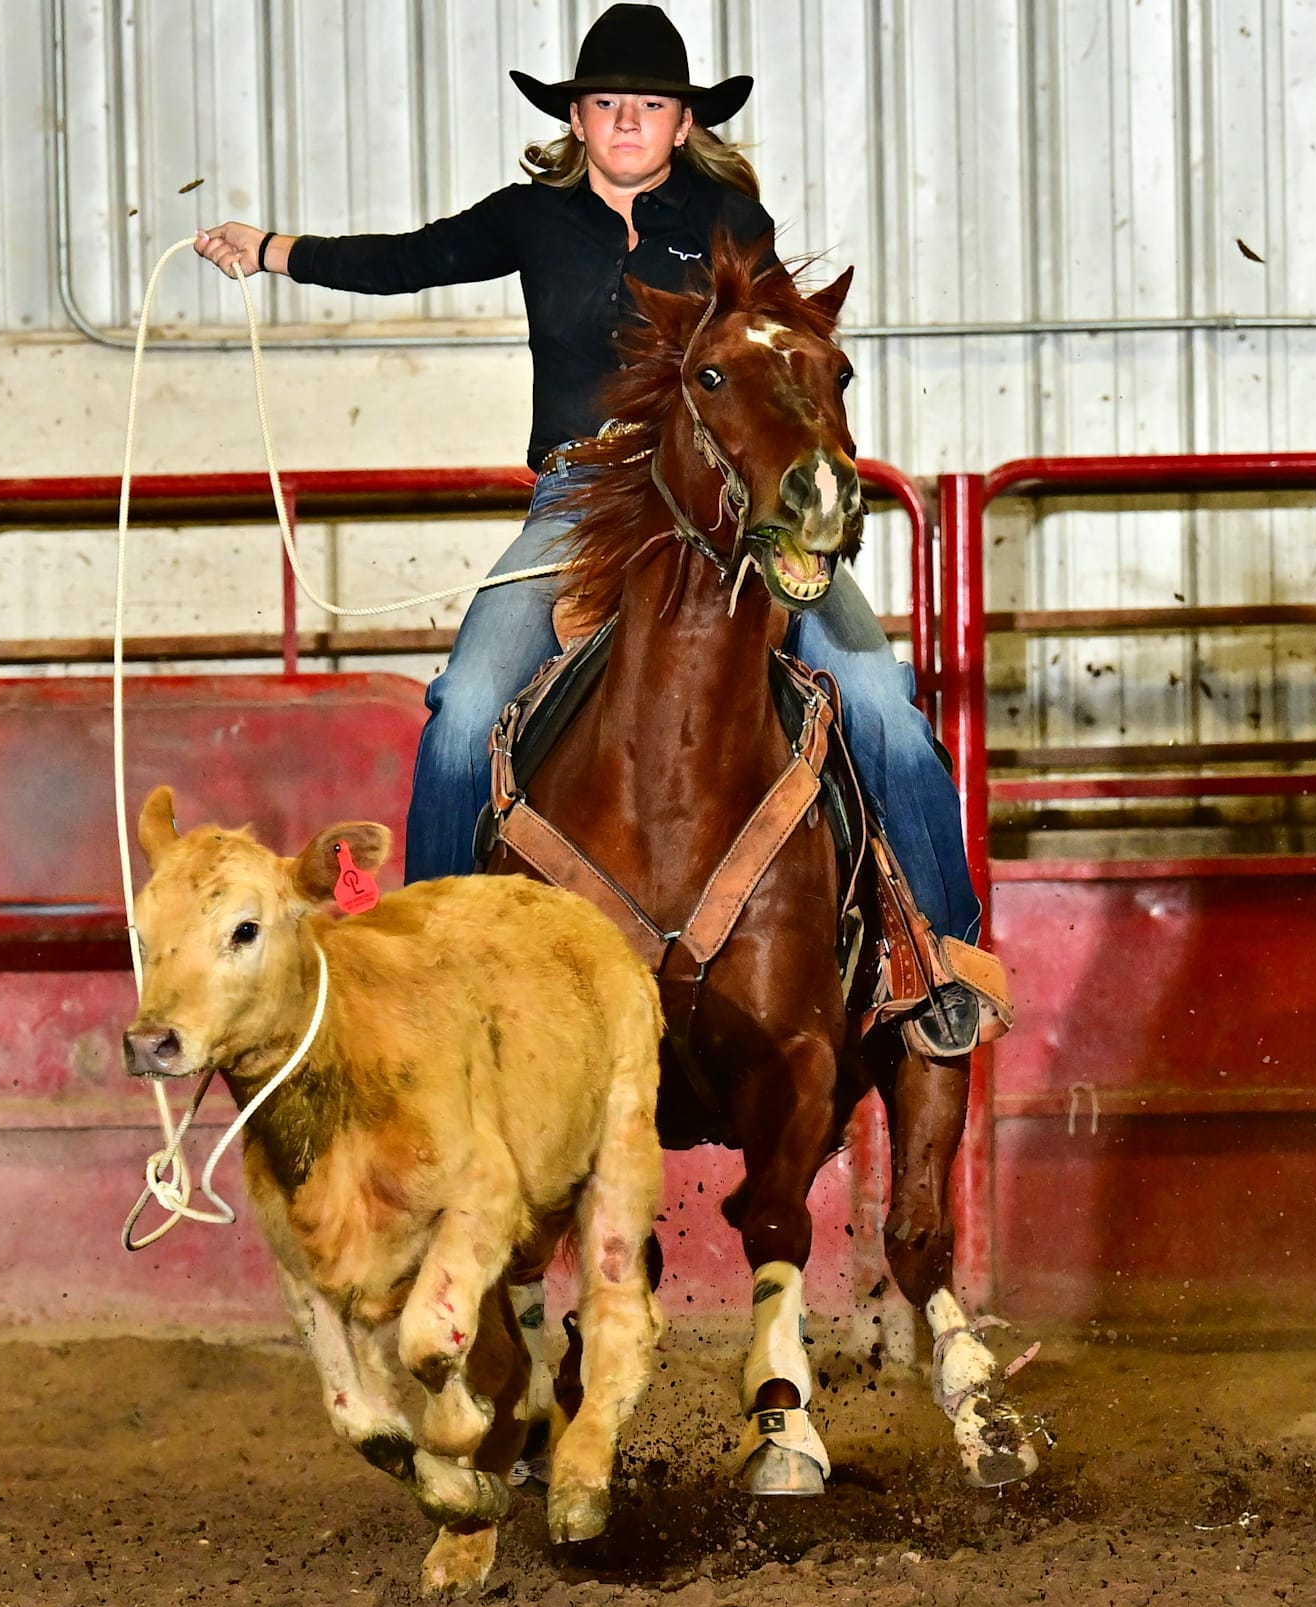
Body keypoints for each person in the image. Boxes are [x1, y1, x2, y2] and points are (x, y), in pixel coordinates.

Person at [188, 4, 988, 1050]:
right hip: (580, 495)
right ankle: (431, 966)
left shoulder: (731, 226)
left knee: (878, 690)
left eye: (648, 106)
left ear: (681, 122)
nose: (626, 121)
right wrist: (274, 250)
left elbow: (781, 354)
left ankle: (941, 951)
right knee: (469, 700)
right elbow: (411, 257)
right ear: (576, 117)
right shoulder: (531, 217)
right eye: (607, 104)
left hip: (721, 497)